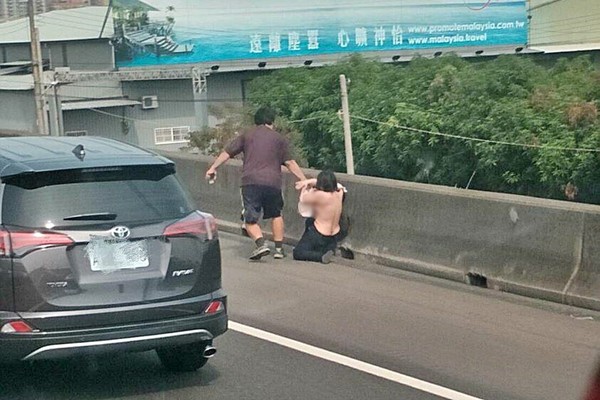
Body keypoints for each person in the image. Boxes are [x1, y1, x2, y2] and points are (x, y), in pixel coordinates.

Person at [206, 107, 306, 260]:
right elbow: (290, 162)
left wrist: (213, 167)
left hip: (251, 182)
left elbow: (227, 153)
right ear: (271, 121)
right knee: (276, 214)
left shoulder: (247, 135)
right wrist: (303, 179)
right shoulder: (279, 138)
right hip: (273, 182)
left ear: (256, 120)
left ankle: (261, 244)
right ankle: (279, 250)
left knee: (250, 218)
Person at [293, 170, 345, 264]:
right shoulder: (339, 193)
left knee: (298, 252)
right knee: (310, 221)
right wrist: (309, 181)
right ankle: (328, 250)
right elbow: (339, 185)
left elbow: (303, 199)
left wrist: (306, 185)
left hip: (319, 233)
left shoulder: (320, 195)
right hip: (333, 235)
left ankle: (320, 257)